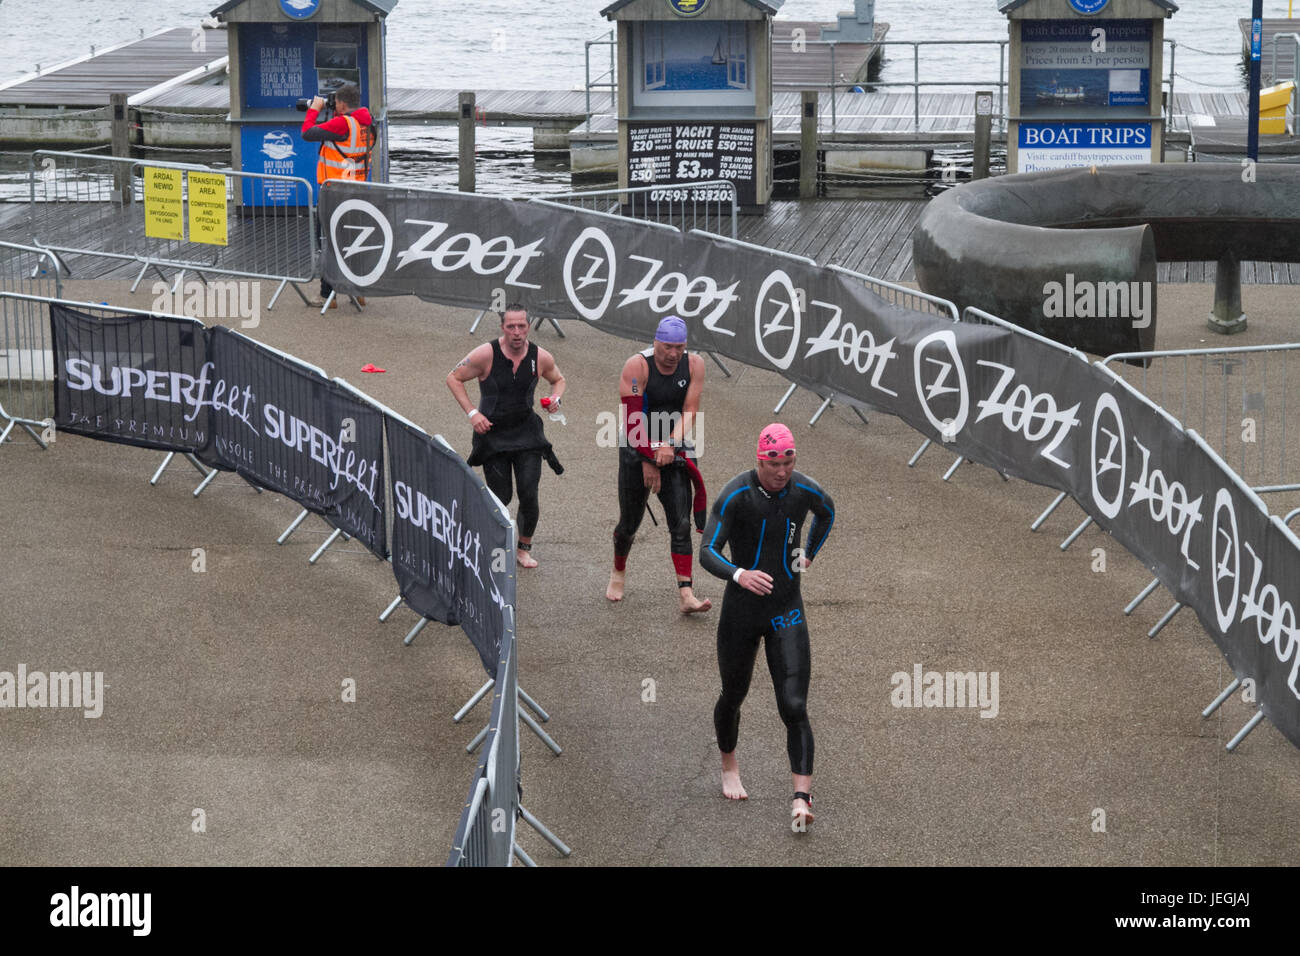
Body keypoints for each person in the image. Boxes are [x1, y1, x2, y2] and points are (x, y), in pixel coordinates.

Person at [699, 423, 836, 827]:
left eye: (789, 461)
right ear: (760, 460)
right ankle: (729, 765)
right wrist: (740, 574)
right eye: (774, 463)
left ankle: (801, 798)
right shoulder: (737, 494)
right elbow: (707, 550)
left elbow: (827, 512)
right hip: (741, 610)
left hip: (786, 610)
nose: (782, 470)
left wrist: (809, 553)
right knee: (733, 694)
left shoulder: (803, 489)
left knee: (793, 705)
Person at [605, 315, 711, 615]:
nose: (673, 354)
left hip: (673, 448)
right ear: (655, 342)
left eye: (679, 347)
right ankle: (618, 572)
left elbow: (691, 410)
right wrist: (649, 458)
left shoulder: (695, 365)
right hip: (636, 448)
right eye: (667, 346)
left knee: (680, 523)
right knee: (629, 523)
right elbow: (633, 421)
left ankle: (686, 594)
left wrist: (670, 444)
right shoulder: (637, 366)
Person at [446, 304, 565, 567]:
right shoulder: (485, 354)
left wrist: (555, 398)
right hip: (493, 436)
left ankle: (523, 549)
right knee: (501, 497)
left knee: (529, 492)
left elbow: (559, 379)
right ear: (502, 327)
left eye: (521, 326)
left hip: (528, 435)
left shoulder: (540, 356)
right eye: (510, 326)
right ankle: (487, 540)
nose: (516, 332)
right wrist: (472, 414)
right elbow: (454, 378)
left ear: (528, 327)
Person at [301, 82, 374, 309]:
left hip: (334, 193)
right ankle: (358, 291)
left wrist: (314, 109)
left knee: (329, 243)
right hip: (358, 192)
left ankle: (327, 295)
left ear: (341, 104)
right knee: (353, 242)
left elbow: (307, 133)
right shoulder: (368, 124)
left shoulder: (343, 123)